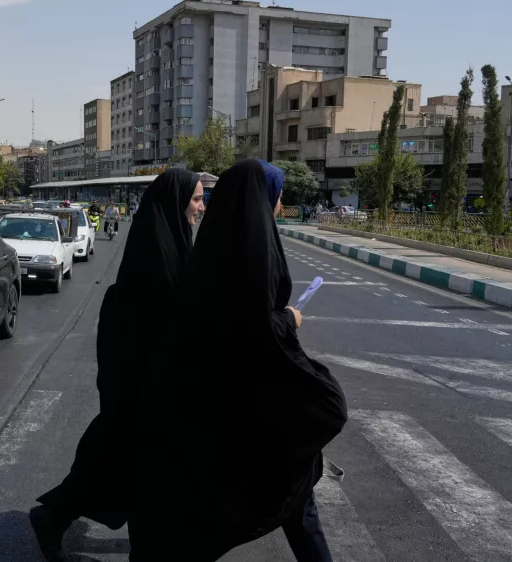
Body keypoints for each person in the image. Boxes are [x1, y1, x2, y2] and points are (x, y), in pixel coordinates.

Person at [129, 160, 347, 561]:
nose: (281, 204)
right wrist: (287, 320)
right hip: (243, 411)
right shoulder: (250, 253)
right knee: (247, 506)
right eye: (278, 195)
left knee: (295, 500)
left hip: (231, 409)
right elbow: (249, 329)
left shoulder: (213, 252)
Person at [31, 169, 205, 562]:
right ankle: (55, 519)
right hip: (143, 396)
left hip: (150, 396)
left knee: (117, 471)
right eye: (195, 199)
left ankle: (53, 518)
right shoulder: (156, 263)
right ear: (175, 203)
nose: (200, 206)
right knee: (139, 476)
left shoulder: (170, 244)